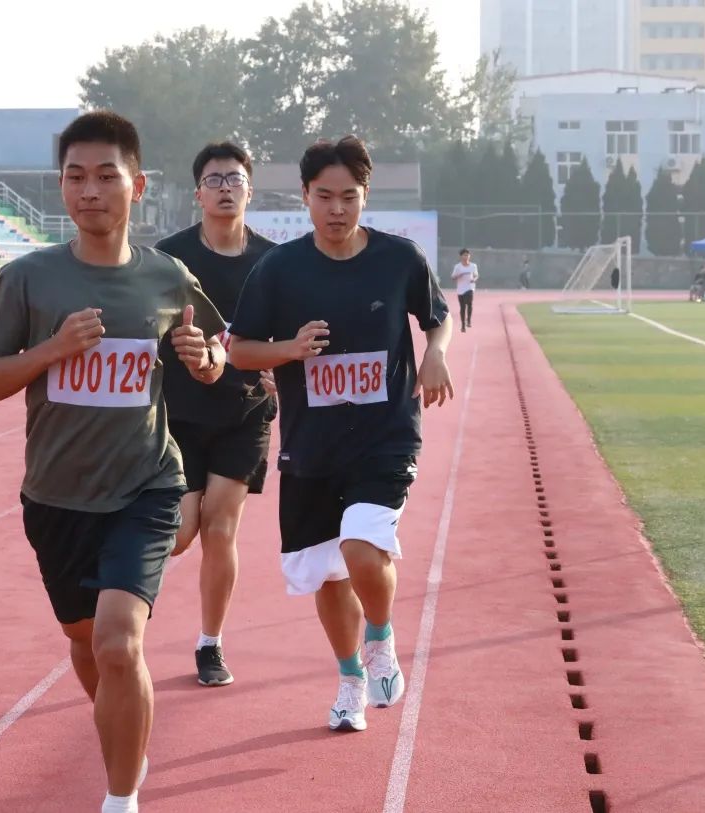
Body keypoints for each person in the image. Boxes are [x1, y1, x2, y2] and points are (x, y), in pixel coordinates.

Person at [0, 111, 228, 813]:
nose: (90, 191)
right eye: (75, 176)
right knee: (87, 644)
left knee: (118, 642)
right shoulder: (29, 279)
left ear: (137, 185)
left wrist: (206, 360)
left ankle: (121, 797)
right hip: (56, 497)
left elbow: (216, 348)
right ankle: (124, 728)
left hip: (146, 485)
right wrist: (52, 350)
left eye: (106, 176)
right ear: (61, 187)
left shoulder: (167, 277)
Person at [229, 136, 453, 733]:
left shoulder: (399, 259)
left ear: (365, 196)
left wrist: (435, 352)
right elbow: (240, 351)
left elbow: (438, 318)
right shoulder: (278, 269)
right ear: (305, 195)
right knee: (327, 574)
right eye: (324, 196)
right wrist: (290, 349)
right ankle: (351, 678)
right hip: (312, 445)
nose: (336, 209)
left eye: (348, 196)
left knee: (360, 546)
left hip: (385, 436)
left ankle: (380, 637)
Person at [154, 142, 277, 687]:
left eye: (234, 179)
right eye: (214, 180)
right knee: (182, 533)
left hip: (244, 411)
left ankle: (210, 644)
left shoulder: (273, 262)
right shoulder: (170, 260)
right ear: (197, 194)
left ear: (250, 189)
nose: (225, 188)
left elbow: (287, 334)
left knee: (221, 528)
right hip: (179, 415)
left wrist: (279, 367)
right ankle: (122, 602)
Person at [451, 248, 478, 332]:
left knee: (469, 303)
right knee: (462, 307)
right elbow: (453, 277)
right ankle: (463, 325)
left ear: (469, 256)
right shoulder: (458, 267)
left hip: (470, 287)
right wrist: (459, 275)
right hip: (460, 289)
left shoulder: (473, 266)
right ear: (461, 256)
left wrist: (474, 279)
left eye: (467, 255)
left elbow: (476, 275)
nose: (466, 257)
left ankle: (468, 320)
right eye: (464, 255)